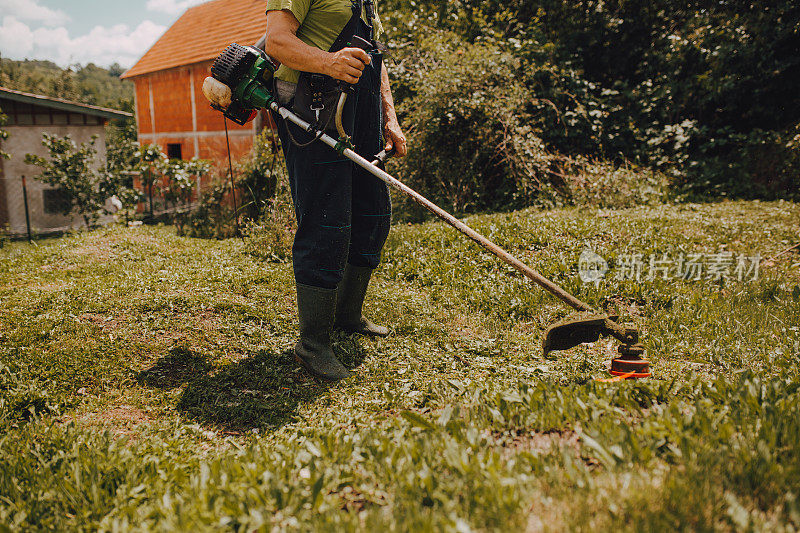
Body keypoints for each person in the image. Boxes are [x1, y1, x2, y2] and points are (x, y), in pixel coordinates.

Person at [264, 0, 407, 381]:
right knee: (325, 221)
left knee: (373, 212)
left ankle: (348, 315)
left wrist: (389, 117)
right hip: (312, 105)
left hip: (362, 108)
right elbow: (276, 42)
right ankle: (313, 344)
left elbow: (374, 58)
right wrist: (330, 63)